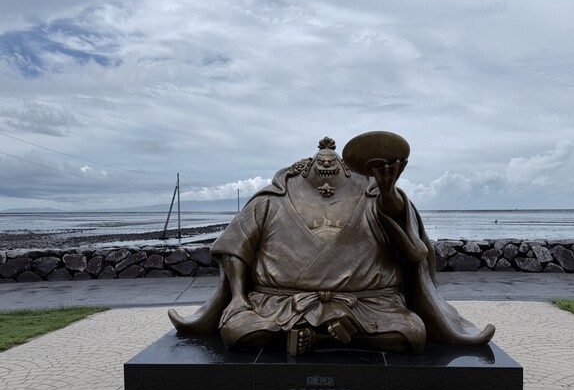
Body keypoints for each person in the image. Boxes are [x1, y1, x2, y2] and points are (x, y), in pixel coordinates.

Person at [169, 136, 494, 355]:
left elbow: (411, 245)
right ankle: (328, 336)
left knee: (412, 331)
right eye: (319, 163)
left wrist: (387, 193)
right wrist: (239, 298)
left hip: (366, 305)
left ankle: (324, 338)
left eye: (333, 164)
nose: (326, 166)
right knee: (237, 329)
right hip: (281, 304)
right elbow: (234, 248)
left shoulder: (375, 196)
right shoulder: (270, 199)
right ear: (304, 169)